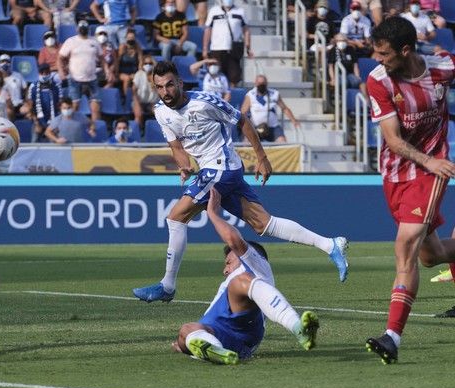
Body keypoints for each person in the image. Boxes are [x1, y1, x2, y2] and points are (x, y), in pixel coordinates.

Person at [132, 61, 348, 303]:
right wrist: (184, 165)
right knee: (263, 224)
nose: (165, 91)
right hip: (214, 170)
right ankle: (330, 245)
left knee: (175, 217)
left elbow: (242, 120)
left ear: (180, 83)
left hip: (222, 167)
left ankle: (168, 285)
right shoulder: (161, 111)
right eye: (159, 87)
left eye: (170, 85)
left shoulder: (205, 102)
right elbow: (176, 146)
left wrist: (262, 157)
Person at [364, 17, 455, 364]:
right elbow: (393, 140)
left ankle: (392, 337)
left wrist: (432, 163)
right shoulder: (379, 82)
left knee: (405, 245)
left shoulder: (443, 68)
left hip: (432, 170)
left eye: (383, 53)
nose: (376, 58)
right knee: (429, 256)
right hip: (396, 173)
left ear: (405, 50)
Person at [173, 188, 319, 365]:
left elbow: (234, 240)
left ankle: (298, 328)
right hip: (218, 334)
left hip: (243, 330)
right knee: (186, 329)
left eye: (229, 262)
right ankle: (215, 350)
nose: (225, 270)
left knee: (239, 281)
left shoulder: (258, 267)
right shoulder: (236, 279)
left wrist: (212, 213)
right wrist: (186, 342)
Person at [58, 19, 105, 122]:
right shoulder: (71, 41)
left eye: (85, 28)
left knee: (95, 108)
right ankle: (72, 130)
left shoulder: (94, 41)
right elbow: (60, 57)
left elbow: (102, 57)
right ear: (77, 29)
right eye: (81, 28)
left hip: (92, 79)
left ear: (87, 29)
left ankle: (96, 131)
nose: (83, 30)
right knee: (74, 107)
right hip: (75, 79)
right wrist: (61, 71)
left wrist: (108, 71)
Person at [203, 0, 252, 86]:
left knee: (234, 78)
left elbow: (246, 30)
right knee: (216, 76)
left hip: (233, 49)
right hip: (216, 49)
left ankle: (231, 97)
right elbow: (208, 30)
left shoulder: (240, 11)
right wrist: (205, 48)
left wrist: (248, 46)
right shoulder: (214, 11)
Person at [241, 75, 300, 143]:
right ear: (255, 83)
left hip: (272, 127)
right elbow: (243, 111)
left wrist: (294, 121)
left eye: (263, 84)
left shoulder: (274, 94)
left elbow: (284, 108)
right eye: (259, 84)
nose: (261, 86)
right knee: (246, 142)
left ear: (266, 83)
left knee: (282, 141)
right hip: (255, 127)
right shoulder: (250, 95)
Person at [22, 63, 63, 142]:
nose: (44, 74)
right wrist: (37, 123)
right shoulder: (33, 86)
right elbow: (30, 106)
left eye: (47, 72)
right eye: (42, 72)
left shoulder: (57, 86)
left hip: (53, 121)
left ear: (50, 73)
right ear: (38, 73)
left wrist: (57, 123)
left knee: (55, 145)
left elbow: (60, 106)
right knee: (34, 142)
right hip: (38, 121)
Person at [328, 34, 368, 98]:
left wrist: (357, 76)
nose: (342, 42)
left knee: (360, 82)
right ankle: (343, 100)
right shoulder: (333, 51)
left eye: (344, 40)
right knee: (343, 81)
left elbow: (355, 65)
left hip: (349, 74)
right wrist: (332, 79)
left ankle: (366, 101)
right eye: (339, 41)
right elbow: (330, 66)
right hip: (338, 74)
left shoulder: (350, 49)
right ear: (336, 42)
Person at [132, 56, 159, 129]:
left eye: (150, 63)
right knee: (138, 115)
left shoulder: (157, 76)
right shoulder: (139, 74)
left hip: (152, 103)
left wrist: (153, 80)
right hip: (139, 101)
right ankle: (139, 132)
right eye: (145, 63)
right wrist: (137, 104)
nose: (148, 65)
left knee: (160, 114)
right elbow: (134, 90)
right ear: (142, 64)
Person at [117, 28, 144, 99]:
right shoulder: (122, 47)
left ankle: (138, 99)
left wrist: (139, 73)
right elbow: (117, 61)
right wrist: (116, 73)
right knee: (127, 78)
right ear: (126, 38)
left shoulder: (137, 47)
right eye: (129, 38)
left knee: (138, 78)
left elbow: (140, 61)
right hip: (122, 72)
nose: (131, 39)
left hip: (133, 72)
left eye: (132, 38)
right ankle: (126, 98)